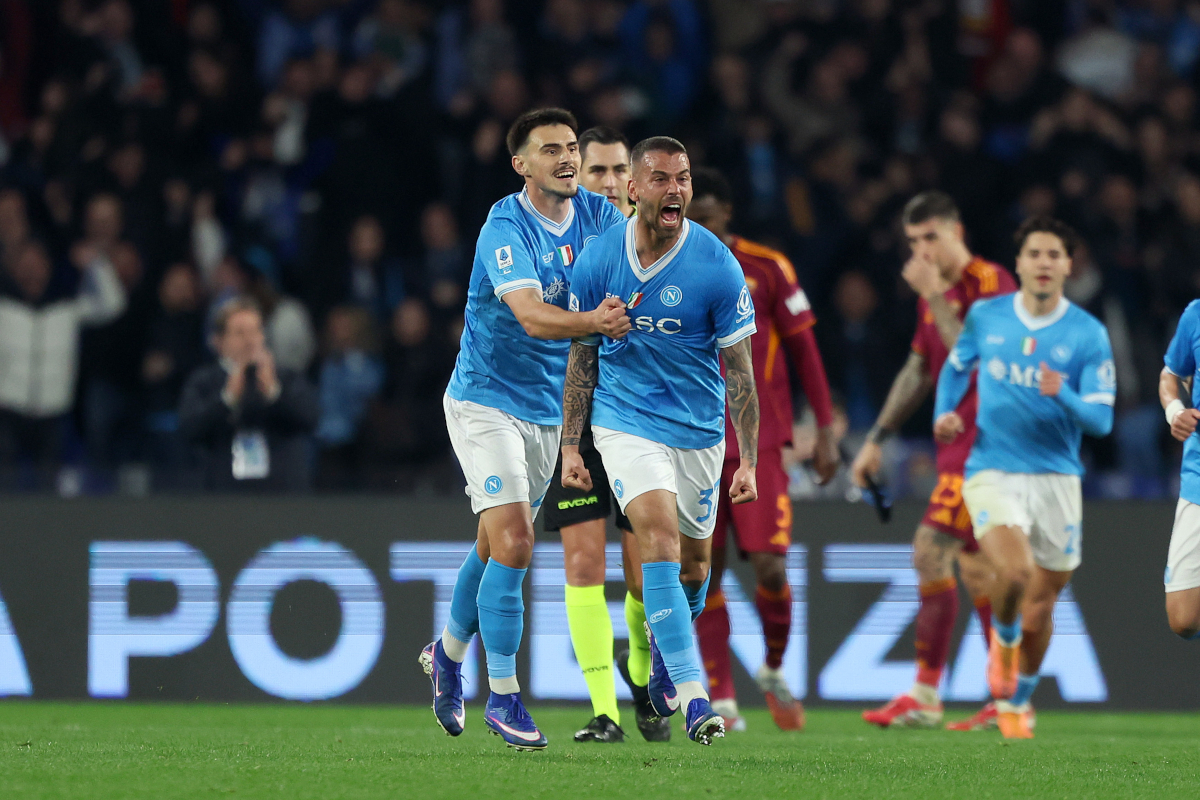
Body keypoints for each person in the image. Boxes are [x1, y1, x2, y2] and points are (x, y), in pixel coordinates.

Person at [418, 108, 630, 752]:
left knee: (492, 546)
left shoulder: (598, 218)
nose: (566, 158)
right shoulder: (504, 228)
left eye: (570, 147)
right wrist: (596, 321)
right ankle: (504, 696)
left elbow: (641, 262)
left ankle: (447, 653)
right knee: (515, 540)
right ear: (521, 165)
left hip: (548, 409)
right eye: (550, 150)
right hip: (485, 402)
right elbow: (534, 318)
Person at [561, 136, 759, 746]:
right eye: (661, 178)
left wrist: (748, 459)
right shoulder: (599, 260)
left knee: (695, 569)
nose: (675, 189)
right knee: (660, 543)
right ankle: (696, 700)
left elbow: (740, 372)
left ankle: (662, 663)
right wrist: (570, 446)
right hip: (624, 422)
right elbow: (581, 358)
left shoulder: (717, 266)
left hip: (698, 431)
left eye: (683, 178)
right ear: (633, 189)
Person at [934, 216, 1115, 738]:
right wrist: (945, 413)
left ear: (1068, 265)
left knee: (1042, 606)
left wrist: (1065, 394)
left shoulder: (1087, 333)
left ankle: (1018, 700)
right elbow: (955, 367)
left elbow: (1101, 420)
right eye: (1034, 253)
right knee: (1014, 575)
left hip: (1057, 479)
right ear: (1018, 263)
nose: (1043, 263)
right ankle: (1004, 643)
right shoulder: (987, 317)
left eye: (1054, 254)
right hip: (992, 470)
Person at [850, 191, 1017, 731]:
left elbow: (979, 361)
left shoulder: (992, 284)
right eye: (913, 241)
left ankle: (925, 693)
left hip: (988, 448)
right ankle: (1007, 699)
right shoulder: (935, 296)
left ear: (956, 231)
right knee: (978, 571)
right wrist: (877, 437)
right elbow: (919, 369)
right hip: (955, 449)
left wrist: (936, 295)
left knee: (930, 551)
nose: (922, 250)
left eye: (931, 237)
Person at [686, 166, 836, 732]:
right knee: (704, 571)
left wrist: (825, 430)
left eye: (706, 217)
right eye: (690, 217)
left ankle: (772, 667)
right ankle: (722, 697)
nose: (697, 227)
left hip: (759, 442)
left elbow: (806, 352)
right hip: (694, 442)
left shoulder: (768, 268)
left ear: (726, 215)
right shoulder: (663, 267)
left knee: (771, 567)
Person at [540, 125, 665, 744]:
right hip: (576, 421)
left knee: (643, 576)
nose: (611, 182)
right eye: (598, 171)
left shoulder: (660, 242)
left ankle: (639, 673)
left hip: (641, 422)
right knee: (583, 560)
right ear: (577, 177)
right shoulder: (558, 247)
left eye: (620, 171)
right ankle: (604, 712)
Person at [0, 240, 127, 489]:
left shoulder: (67, 310)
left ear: (48, 268)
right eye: (25, 266)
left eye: (37, 266)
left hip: (53, 412)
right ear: (13, 269)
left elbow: (113, 305)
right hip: (8, 411)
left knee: (50, 491)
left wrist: (96, 265)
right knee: (4, 488)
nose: (31, 272)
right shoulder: (4, 310)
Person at [177, 296, 319, 491]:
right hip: (223, 494)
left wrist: (275, 393)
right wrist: (226, 400)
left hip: (282, 493)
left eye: (255, 331)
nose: (250, 340)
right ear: (218, 341)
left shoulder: (286, 378)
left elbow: (311, 419)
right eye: (240, 333)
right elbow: (189, 429)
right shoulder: (204, 381)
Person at [1159, 300, 1200, 639]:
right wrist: (1175, 412)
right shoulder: (1196, 315)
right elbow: (1170, 375)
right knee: (1183, 618)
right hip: (1198, 477)